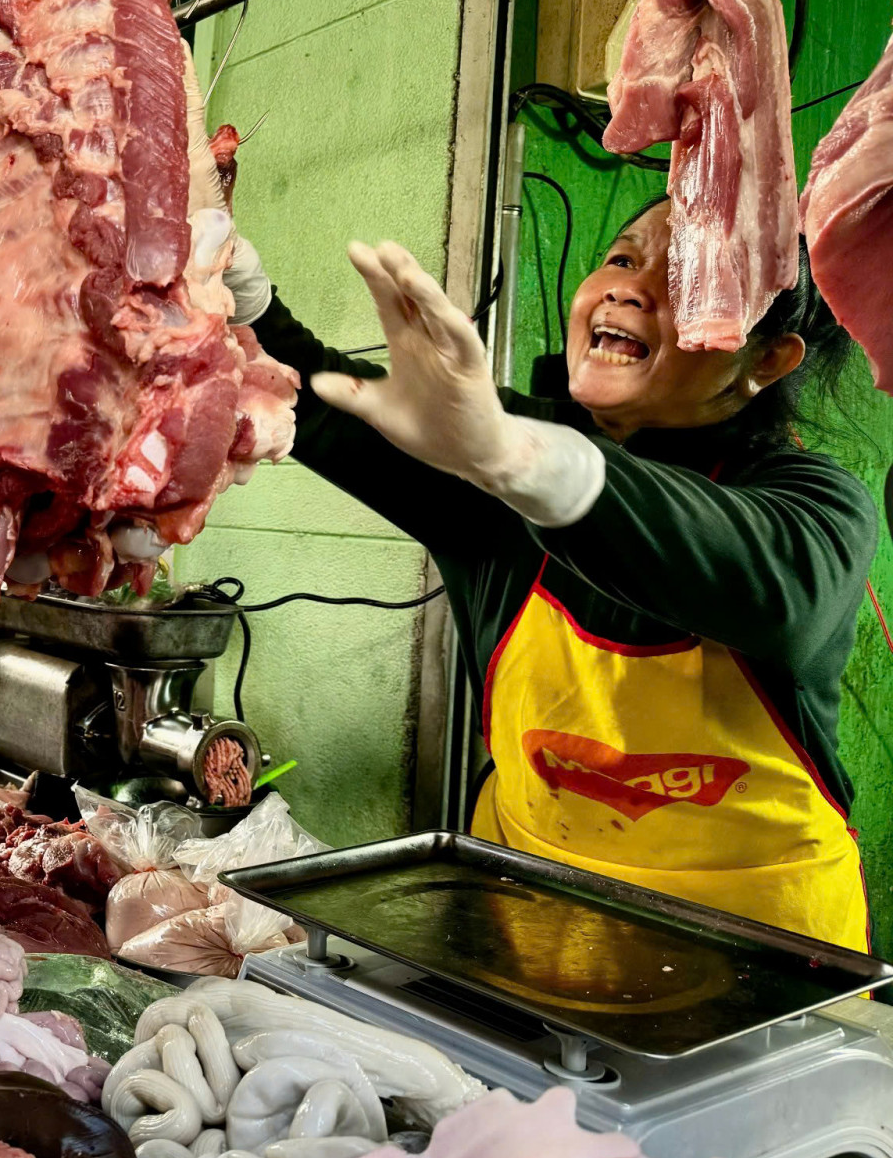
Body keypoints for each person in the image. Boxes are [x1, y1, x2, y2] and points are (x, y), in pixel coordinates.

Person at [225, 201, 873, 948]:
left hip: (764, 968)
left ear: (767, 359)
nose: (629, 289)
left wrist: (521, 461)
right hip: (528, 935)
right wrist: (248, 308)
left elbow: (773, 591)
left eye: (690, 279)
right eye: (623, 260)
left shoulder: (814, 504)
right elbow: (328, 403)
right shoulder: (493, 446)